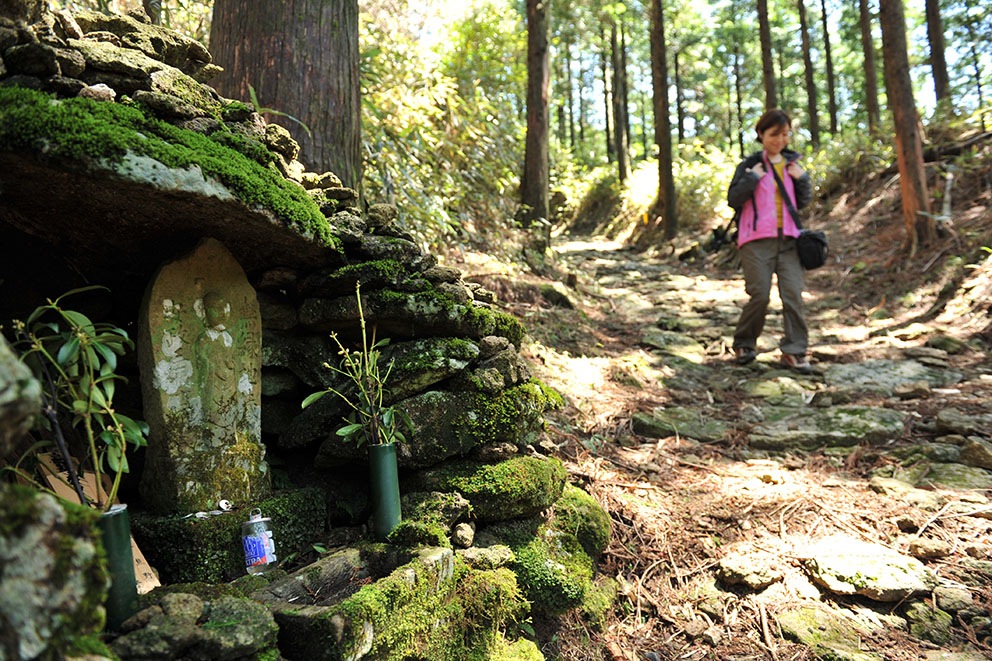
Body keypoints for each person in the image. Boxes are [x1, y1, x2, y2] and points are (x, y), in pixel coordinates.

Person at [727, 109, 813, 373]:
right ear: (761, 134)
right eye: (774, 134)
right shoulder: (749, 165)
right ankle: (744, 343)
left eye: (785, 134)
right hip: (755, 241)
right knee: (760, 295)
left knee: (793, 295)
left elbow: (803, 201)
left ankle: (794, 351)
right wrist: (752, 178)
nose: (780, 140)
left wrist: (803, 180)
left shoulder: (793, 164)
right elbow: (733, 199)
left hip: (789, 240)